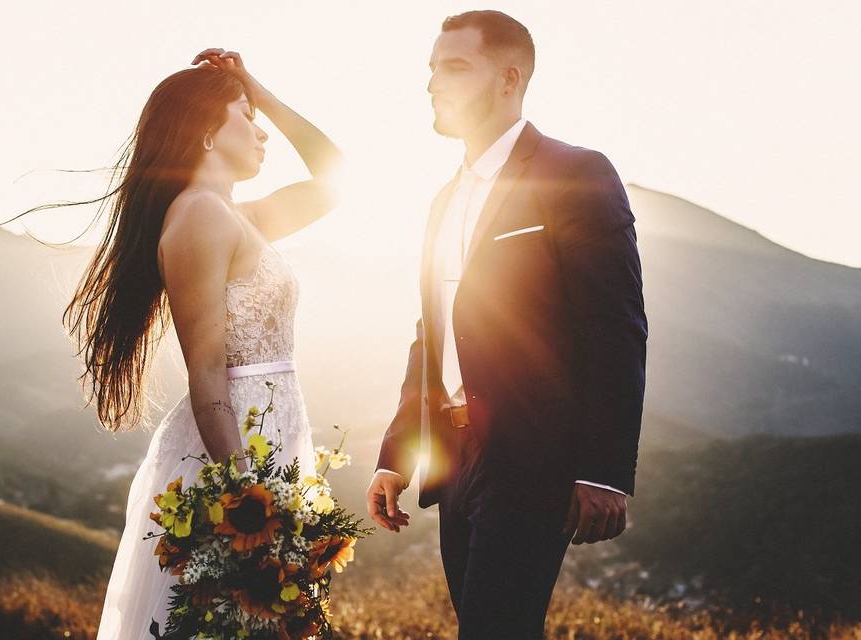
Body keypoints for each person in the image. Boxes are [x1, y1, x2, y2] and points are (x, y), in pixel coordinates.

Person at [365, 10, 648, 639]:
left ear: (509, 78)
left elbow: (616, 327)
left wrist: (604, 470)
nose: (434, 82)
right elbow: (430, 337)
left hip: (532, 458)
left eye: (455, 67)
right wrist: (398, 454)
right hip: (455, 460)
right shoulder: (441, 199)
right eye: (432, 68)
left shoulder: (576, 173)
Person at [51, 48, 342, 639]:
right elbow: (206, 374)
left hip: (269, 441)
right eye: (246, 114)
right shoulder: (201, 217)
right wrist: (246, 500)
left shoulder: (235, 216)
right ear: (208, 131)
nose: (261, 130)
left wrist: (254, 86)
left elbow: (334, 176)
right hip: (233, 456)